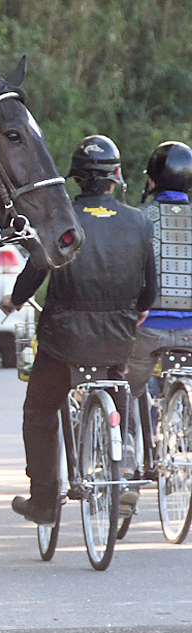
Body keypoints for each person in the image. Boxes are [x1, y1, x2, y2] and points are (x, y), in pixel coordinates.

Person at [1, 135, 156, 525]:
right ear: (117, 176)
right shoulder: (138, 222)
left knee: (39, 411)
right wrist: (135, 312)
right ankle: (120, 480)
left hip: (63, 343)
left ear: (73, 179)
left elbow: (34, 271)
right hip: (116, 341)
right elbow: (148, 291)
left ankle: (44, 501)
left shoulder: (60, 220)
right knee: (118, 390)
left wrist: (15, 300)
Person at [122, 141, 192, 505]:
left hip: (146, 330)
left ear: (151, 181)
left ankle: (129, 471)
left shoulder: (137, 218)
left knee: (127, 388)